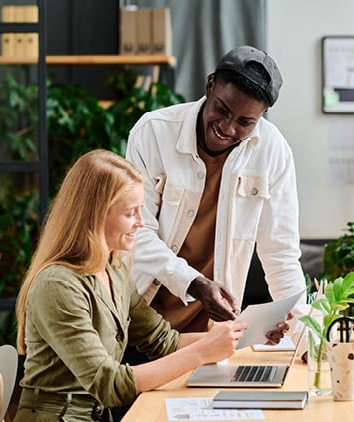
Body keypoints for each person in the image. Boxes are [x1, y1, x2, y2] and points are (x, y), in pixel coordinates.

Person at [14, 149, 248, 421]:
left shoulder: (114, 270)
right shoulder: (57, 285)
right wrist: (201, 352)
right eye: (130, 212)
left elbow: (163, 342)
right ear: (95, 215)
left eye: (141, 210)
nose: (141, 222)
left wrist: (235, 335)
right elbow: (109, 384)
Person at [125, 45, 307, 340]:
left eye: (245, 122)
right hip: (142, 326)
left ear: (262, 116)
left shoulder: (273, 151)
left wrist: (308, 338)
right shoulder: (153, 133)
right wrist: (195, 283)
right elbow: (137, 234)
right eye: (222, 110)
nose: (226, 127)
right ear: (210, 85)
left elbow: (281, 254)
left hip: (213, 338)